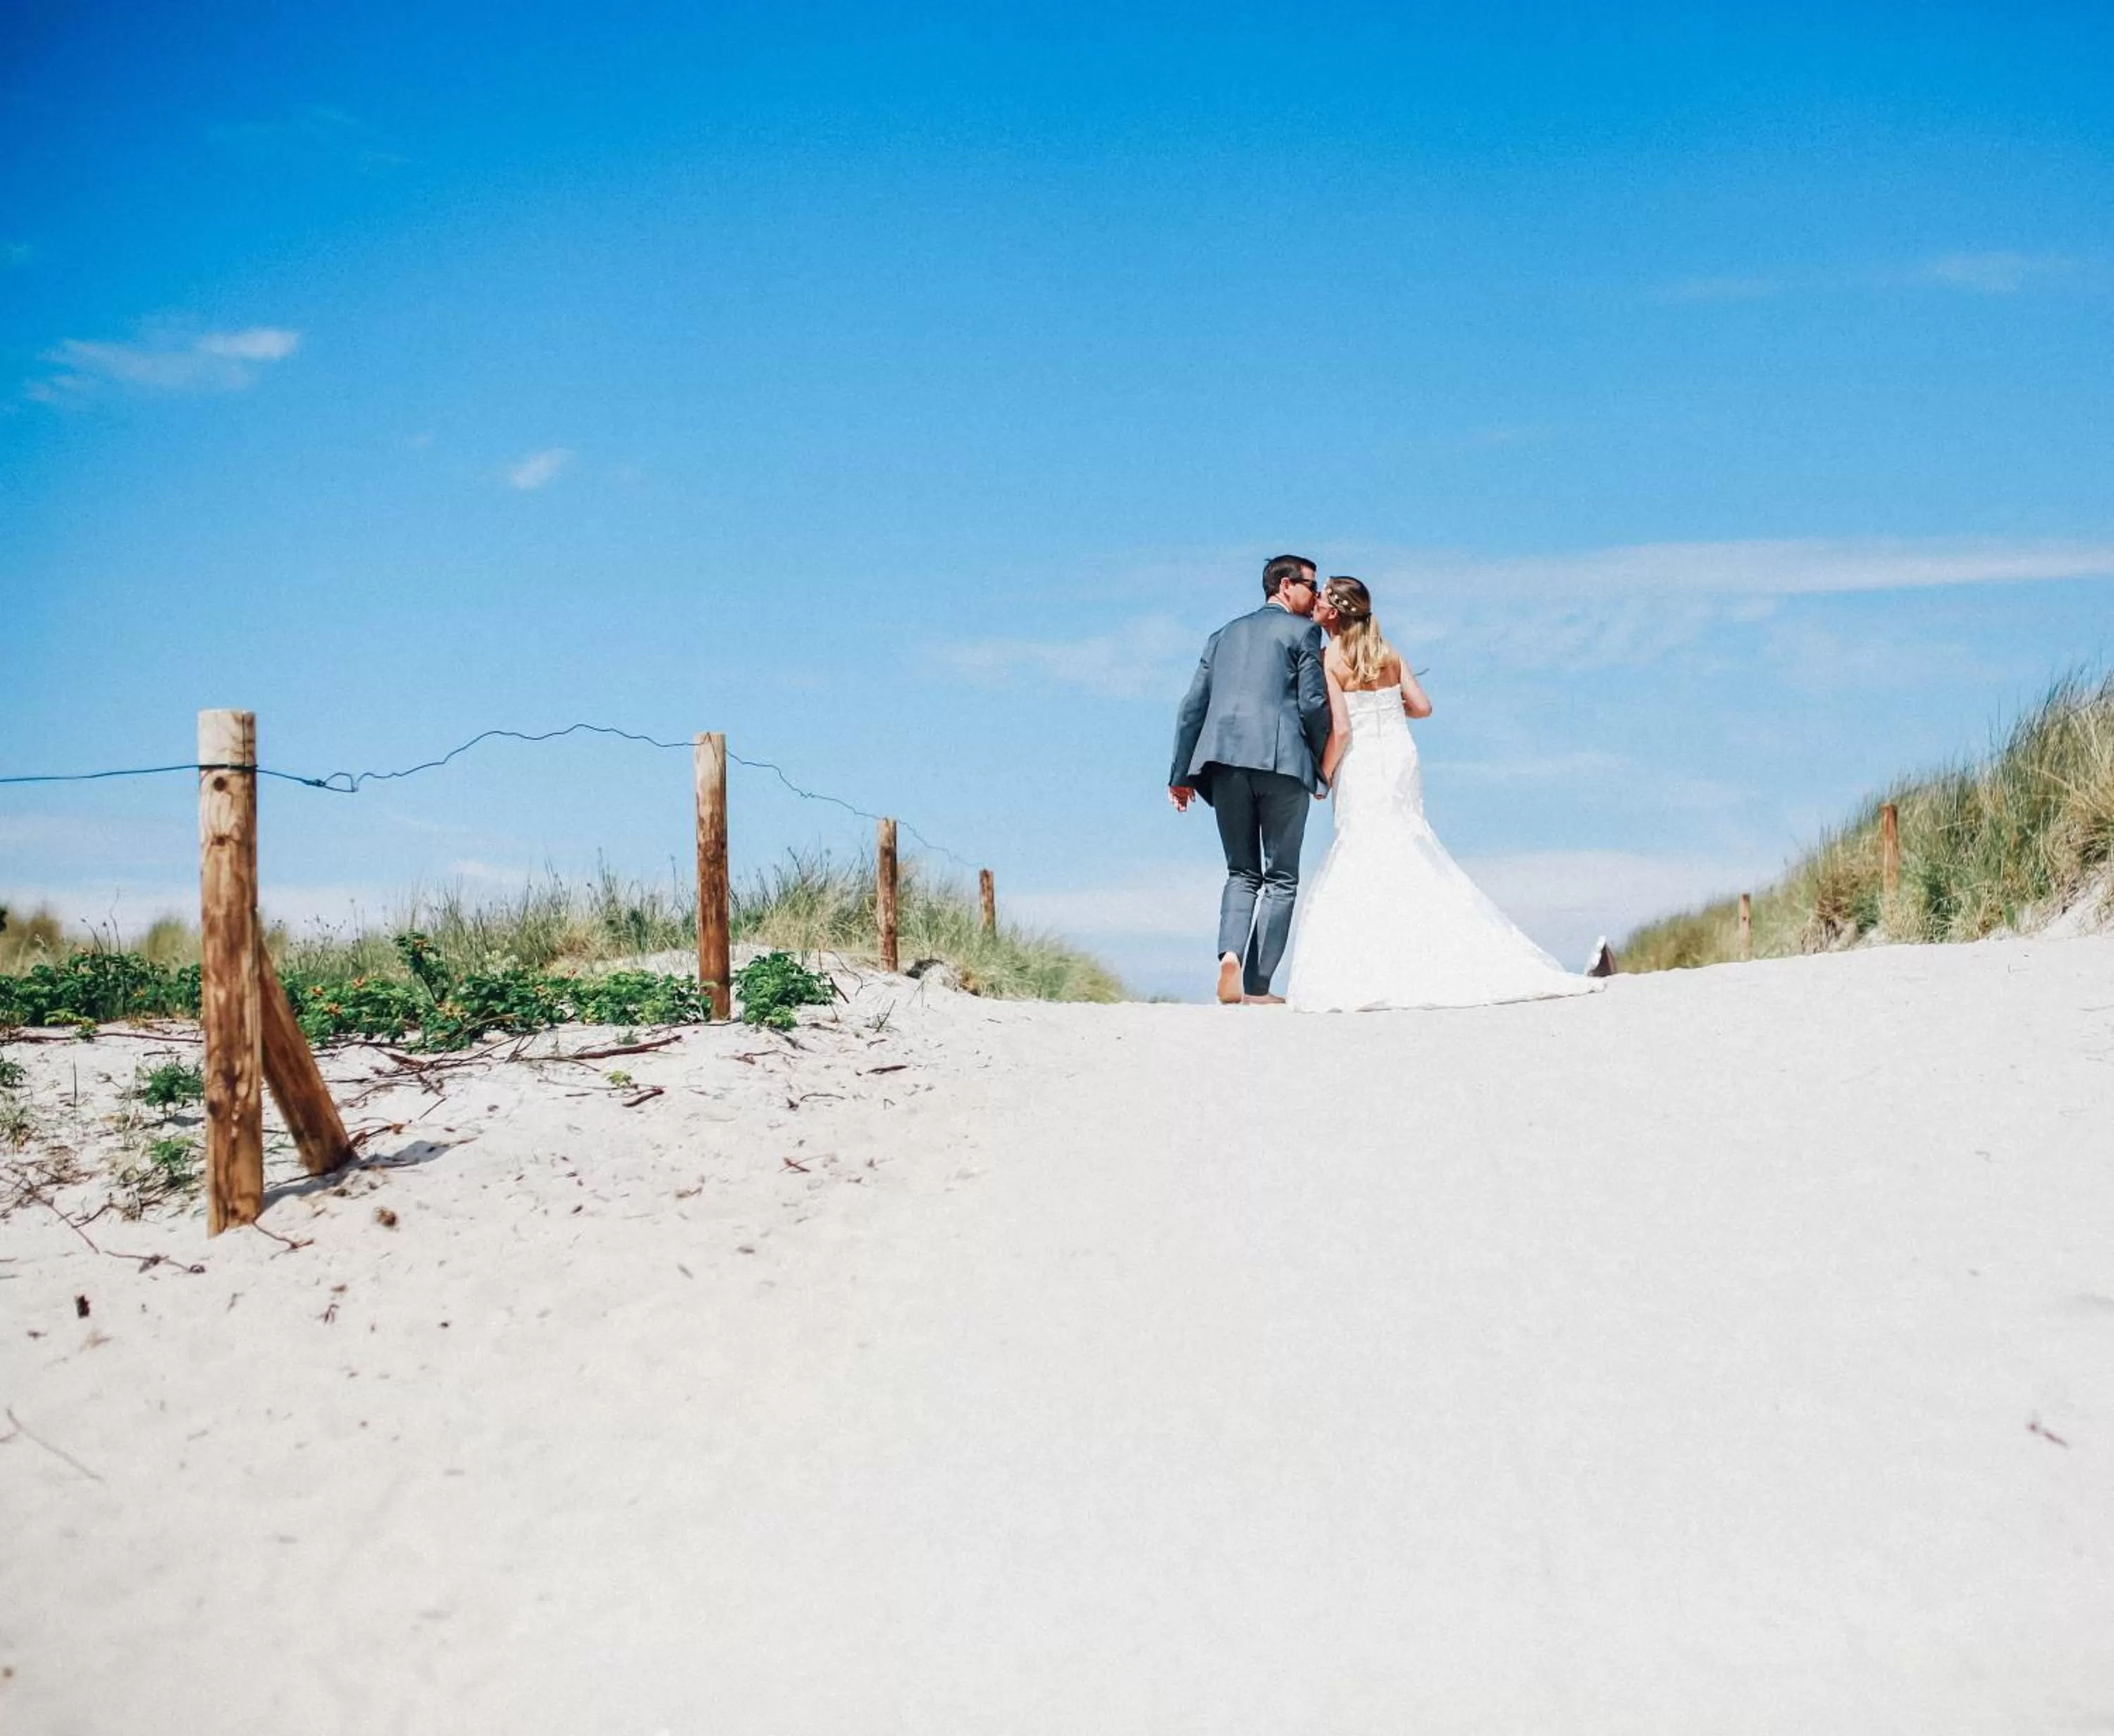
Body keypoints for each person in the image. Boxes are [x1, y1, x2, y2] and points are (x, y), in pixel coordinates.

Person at [1285, 576, 1602, 1012]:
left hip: (1361, 761)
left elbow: (1340, 730)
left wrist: (1323, 775)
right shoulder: (1387, 652)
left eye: (1322, 598)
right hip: (1400, 756)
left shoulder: (1331, 658)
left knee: (1363, 845)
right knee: (1407, 839)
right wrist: (1385, 708)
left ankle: (1379, 958)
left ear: (1335, 612)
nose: (1316, 602)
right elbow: (1423, 707)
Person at [1168, 554, 1332, 1005]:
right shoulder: (1303, 632)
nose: (1317, 595)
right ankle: (1257, 987)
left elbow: (1192, 707)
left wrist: (1180, 774)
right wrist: (1321, 765)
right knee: (1282, 877)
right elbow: (1313, 704)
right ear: (1285, 585)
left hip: (1222, 762)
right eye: (1311, 586)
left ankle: (1230, 957)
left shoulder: (1222, 635)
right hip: (1282, 762)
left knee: (1241, 871)